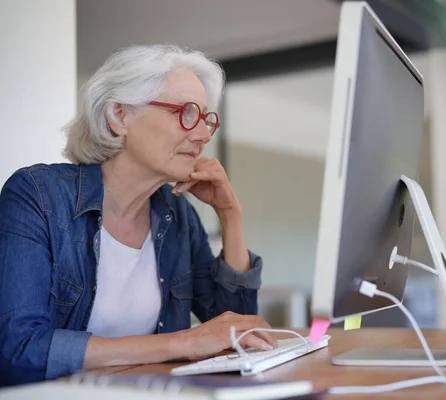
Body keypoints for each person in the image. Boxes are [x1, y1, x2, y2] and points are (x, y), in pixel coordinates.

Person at [0, 44, 277, 386]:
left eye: (206, 119)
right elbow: (18, 349)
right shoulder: (37, 195)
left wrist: (230, 214)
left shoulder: (177, 213)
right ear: (120, 115)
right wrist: (181, 343)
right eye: (186, 113)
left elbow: (237, 330)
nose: (204, 134)